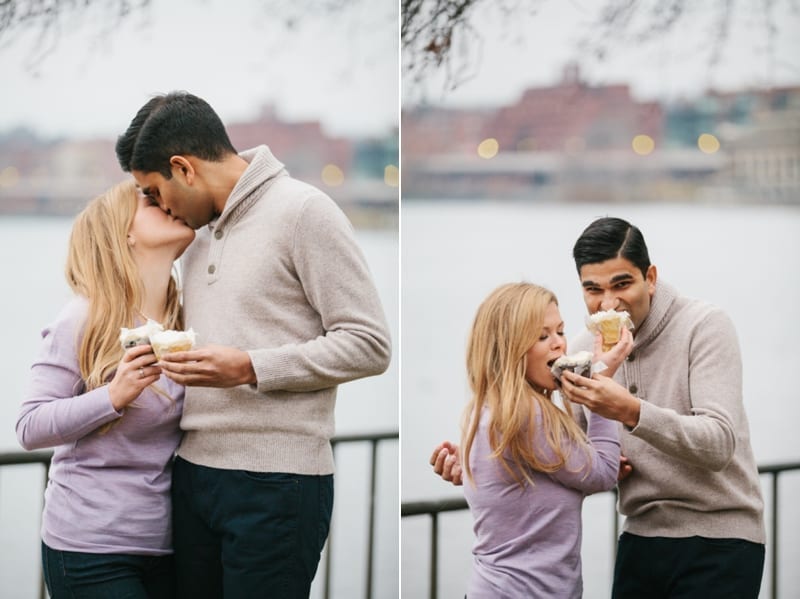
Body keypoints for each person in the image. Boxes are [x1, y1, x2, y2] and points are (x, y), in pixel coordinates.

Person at [115, 91, 392, 599]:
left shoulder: (304, 211)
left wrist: (250, 367)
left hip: (278, 483)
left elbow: (370, 343)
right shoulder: (194, 236)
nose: (158, 207)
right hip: (193, 475)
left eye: (155, 191)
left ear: (184, 168)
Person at [432, 217, 766, 598]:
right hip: (641, 534)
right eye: (593, 290)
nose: (608, 302)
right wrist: (490, 457)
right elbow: (565, 449)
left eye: (622, 284)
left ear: (650, 277)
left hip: (721, 537)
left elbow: (720, 443)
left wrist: (630, 410)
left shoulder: (705, 327)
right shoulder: (579, 350)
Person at [16, 179, 196, 598]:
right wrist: (114, 396)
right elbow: (29, 426)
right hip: (90, 548)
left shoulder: (184, 322)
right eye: (149, 200)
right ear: (125, 234)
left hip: (170, 547)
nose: (167, 203)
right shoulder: (84, 318)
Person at [459, 282, 632, 598]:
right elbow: (604, 474)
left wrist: (587, 462)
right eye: (542, 336)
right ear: (508, 347)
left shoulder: (489, 409)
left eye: (560, 332)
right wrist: (602, 382)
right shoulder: (528, 415)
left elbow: (543, 487)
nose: (559, 346)